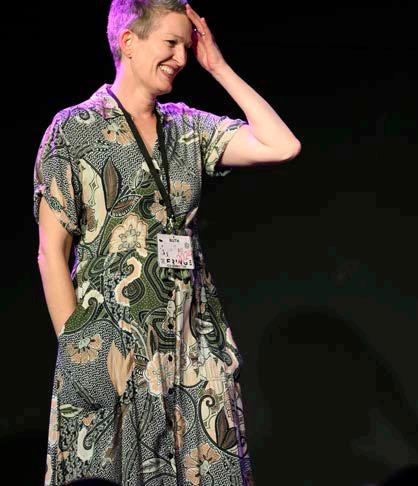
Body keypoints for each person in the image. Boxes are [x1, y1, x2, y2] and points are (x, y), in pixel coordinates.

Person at [34, 1, 300, 484]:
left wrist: (218, 67)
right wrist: (80, 357)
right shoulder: (74, 130)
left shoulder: (188, 128)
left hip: (193, 349)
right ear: (129, 42)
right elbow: (51, 252)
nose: (181, 57)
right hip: (114, 352)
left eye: (187, 46)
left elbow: (282, 145)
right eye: (171, 43)